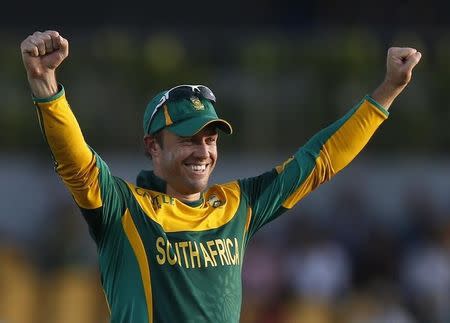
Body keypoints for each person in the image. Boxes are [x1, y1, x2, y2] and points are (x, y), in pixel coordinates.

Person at [20, 30, 422, 323]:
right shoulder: (123, 210)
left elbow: (320, 160)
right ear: (153, 147)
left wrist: (388, 89)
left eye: (210, 138)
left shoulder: (238, 204)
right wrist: (45, 83)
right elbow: (76, 161)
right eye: (189, 139)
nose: (204, 151)